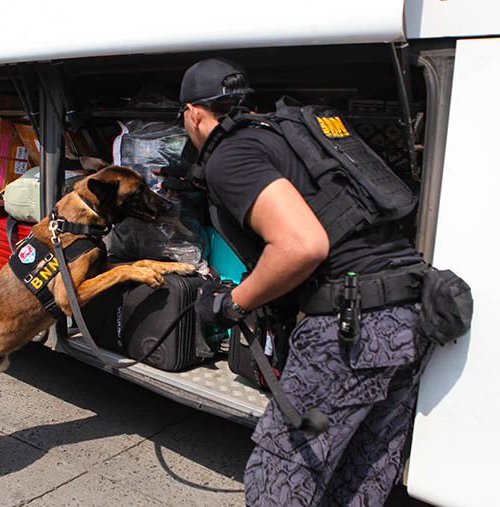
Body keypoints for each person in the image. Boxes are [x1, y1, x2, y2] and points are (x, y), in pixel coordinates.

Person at [180, 58, 434, 506]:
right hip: (410, 315)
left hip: (350, 327)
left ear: (194, 112)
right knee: (362, 473)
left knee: (283, 477)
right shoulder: (289, 134)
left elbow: (301, 246)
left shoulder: (229, 156)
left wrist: (232, 302)